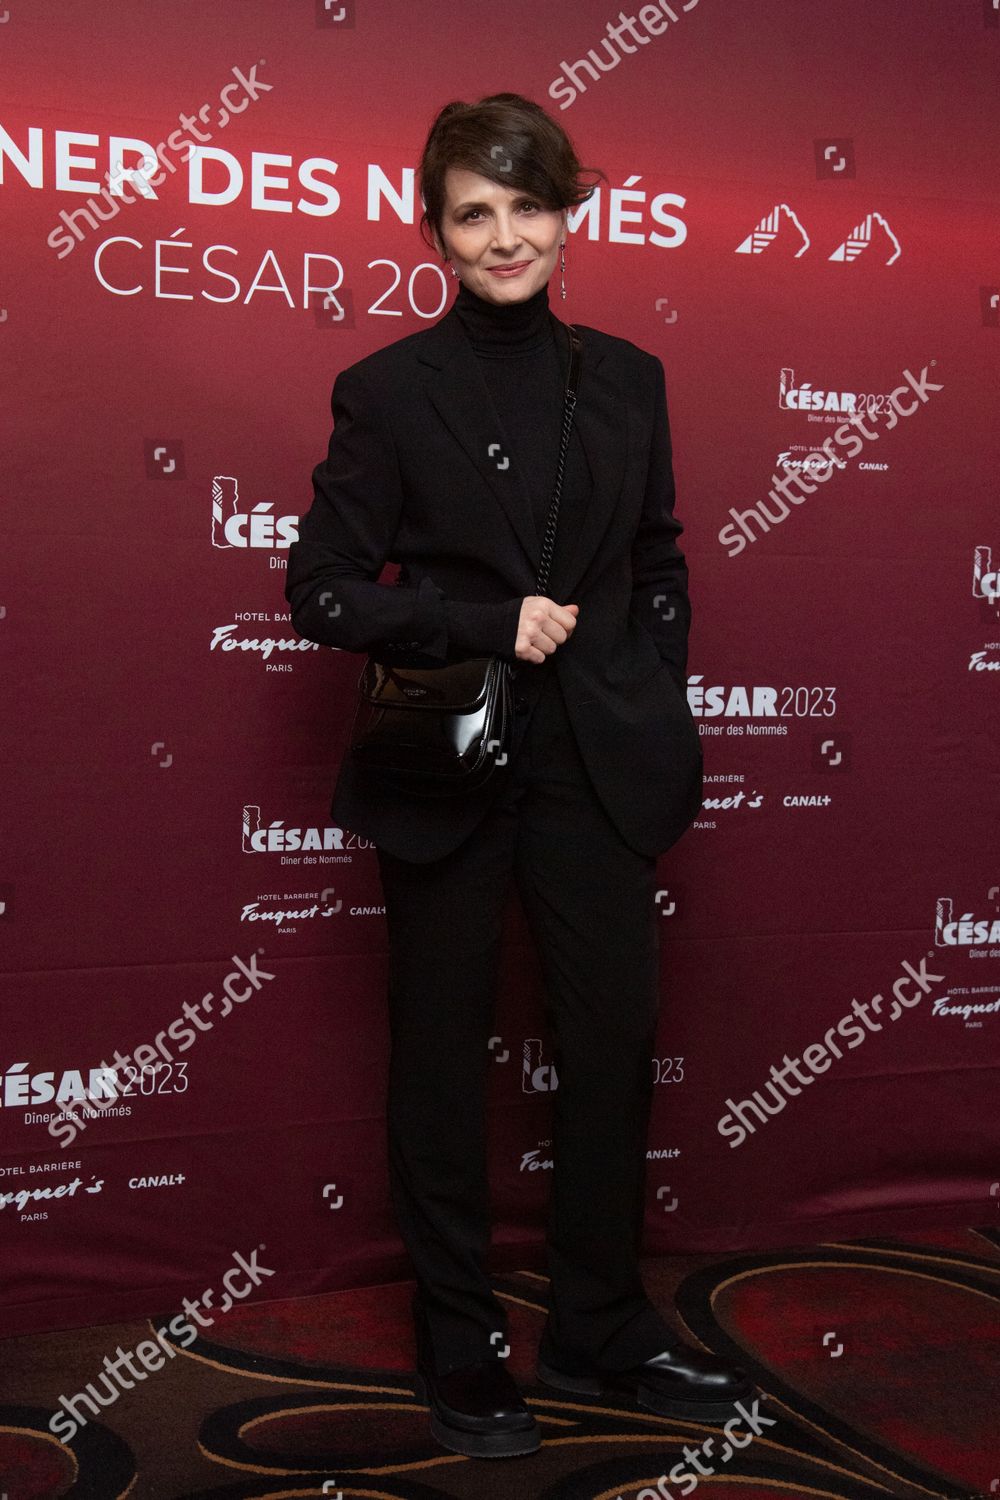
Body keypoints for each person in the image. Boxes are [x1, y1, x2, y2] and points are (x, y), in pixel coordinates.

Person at [285, 92, 752, 1460]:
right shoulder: (386, 391)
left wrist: (646, 684)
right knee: (438, 1055)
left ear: (568, 213)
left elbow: (657, 557)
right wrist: (480, 622)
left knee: (609, 1049)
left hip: (595, 762)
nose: (506, 237)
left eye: (527, 206)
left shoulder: (628, 378)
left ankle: (601, 1325)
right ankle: (459, 1334)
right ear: (436, 231)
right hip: (446, 758)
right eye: (474, 213)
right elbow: (317, 590)